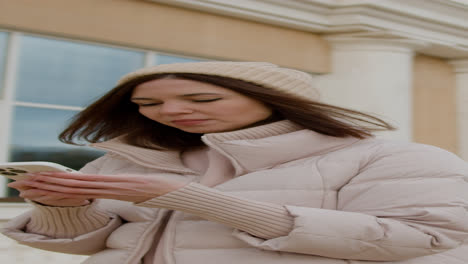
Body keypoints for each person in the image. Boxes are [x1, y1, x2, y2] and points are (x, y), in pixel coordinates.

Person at [2, 61, 468, 264]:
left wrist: (197, 201)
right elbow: (89, 246)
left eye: (201, 97)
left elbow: (426, 239)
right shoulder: (124, 160)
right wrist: (59, 206)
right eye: (147, 104)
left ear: (275, 100)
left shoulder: (392, 157)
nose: (168, 112)